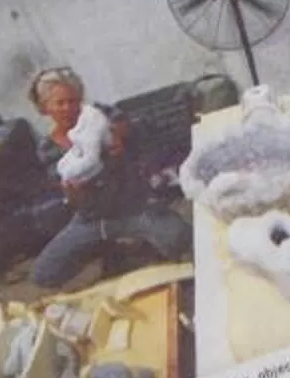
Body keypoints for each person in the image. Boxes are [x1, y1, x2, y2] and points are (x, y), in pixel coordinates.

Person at [25, 66, 190, 292]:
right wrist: (74, 193)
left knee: (177, 237)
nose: (68, 109)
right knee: (43, 274)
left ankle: (132, 247)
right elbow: (72, 199)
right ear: (45, 108)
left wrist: (120, 133)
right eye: (60, 103)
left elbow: (133, 127)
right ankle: (111, 251)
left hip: (133, 206)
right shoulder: (48, 149)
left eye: (73, 101)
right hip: (92, 219)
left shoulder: (98, 115)